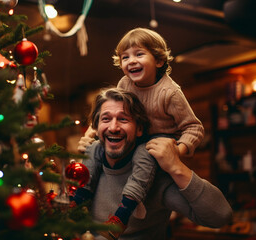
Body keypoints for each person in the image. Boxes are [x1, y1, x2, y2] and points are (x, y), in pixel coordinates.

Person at [76, 27, 204, 234]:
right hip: (135, 136)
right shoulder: (125, 83)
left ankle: (123, 214)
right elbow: (114, 111)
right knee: (93, 151)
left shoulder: (170, 93)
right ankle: (78, 199)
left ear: (159, 61)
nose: (131, 61)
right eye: (125, 57)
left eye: (139, 54)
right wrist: (92, 132)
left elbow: (194, 127)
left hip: (157, 142)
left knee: (145, 156)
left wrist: (177, 152)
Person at [75, 87, 232, 240]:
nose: (114, 127)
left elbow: (220, 216)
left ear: (139, 129)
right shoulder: (88, 167)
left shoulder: (155, 177)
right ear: (96, 128)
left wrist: (176, 167)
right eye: (106, 119)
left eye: (123, 119)